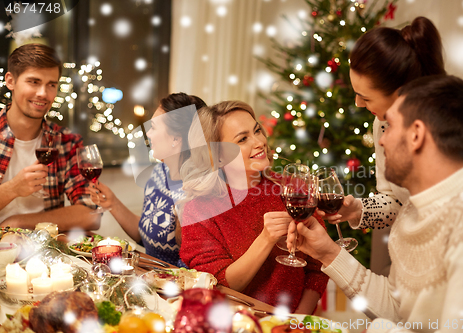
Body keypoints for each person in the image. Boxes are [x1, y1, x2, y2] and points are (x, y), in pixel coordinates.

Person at [290, 75, 463, 332]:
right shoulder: (411, 212)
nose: (381, 140)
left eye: (389, 127)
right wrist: (327, 253)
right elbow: (397, 308)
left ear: (416, 135)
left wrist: (377, 330)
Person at [326, 17, 463, 232]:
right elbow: (397, 202)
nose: (358, 103)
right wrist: (358, 211)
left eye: (366, 98)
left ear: (403, 93)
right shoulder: (382, 124)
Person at [179, 101, 328, 314]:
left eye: (257, 130)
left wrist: (296, 321)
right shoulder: (200, 210)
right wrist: (265, 239)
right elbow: (216, 284)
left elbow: (318, 268)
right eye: (243, 139)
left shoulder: (293, 189)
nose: (259, 142)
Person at [91, 93, 206, 267]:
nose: (149, 133)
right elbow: (147, 236)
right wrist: (112, 203)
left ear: (176, 138)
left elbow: (191, 270)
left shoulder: (199, 190)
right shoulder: (159, 173)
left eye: (153, 127)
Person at [0, 43, 99, 231]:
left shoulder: (67, 142)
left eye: (51, 85)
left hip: (45, 254)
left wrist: (17, 222)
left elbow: (91, 215)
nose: (43, 94)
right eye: (34, 82)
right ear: (11, 81)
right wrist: (13, 189)